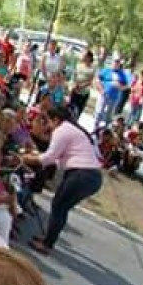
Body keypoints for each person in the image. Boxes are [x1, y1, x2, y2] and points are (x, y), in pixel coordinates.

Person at [24, 107, 104, 255]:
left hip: (81, 174)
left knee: (58, 205)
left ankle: (47, 244)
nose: (47, 125)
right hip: (92, 176)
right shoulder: (72, 129)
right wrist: (39, 156)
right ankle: (48, 239)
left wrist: (28, 158)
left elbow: (48, 159)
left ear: (55, 120)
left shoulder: (61, 131)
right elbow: (57, 159)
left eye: (47, 120)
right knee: (62, 207)